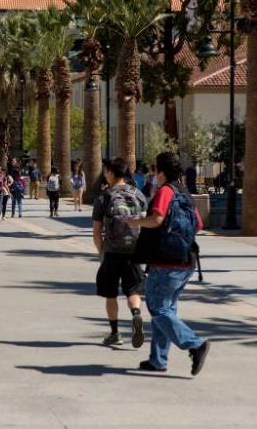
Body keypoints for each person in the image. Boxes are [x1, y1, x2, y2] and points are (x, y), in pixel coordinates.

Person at [125, 152, 209, 376]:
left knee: (158, 308)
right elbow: (198, 224)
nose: (154, 175)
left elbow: (157, 219)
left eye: (155, 171)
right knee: (167, 310)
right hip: (186, 261)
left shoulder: (165, 191)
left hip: (165, 262)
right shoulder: (184, 192)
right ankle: (158, 360)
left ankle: (195, 343)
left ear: (161, 172)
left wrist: (136, 221)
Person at [92, 158, 148, 348]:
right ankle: (136, 315)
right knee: (132, 290)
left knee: (111, 294)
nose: (105, 175)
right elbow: (145, 224)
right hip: (134, 251)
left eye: (106, 172)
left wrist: (102, 252)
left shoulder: (104, 196)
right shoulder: (138, 194)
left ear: (112, 173)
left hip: (112, 252)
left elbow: (97, 231)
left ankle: (115, 333)